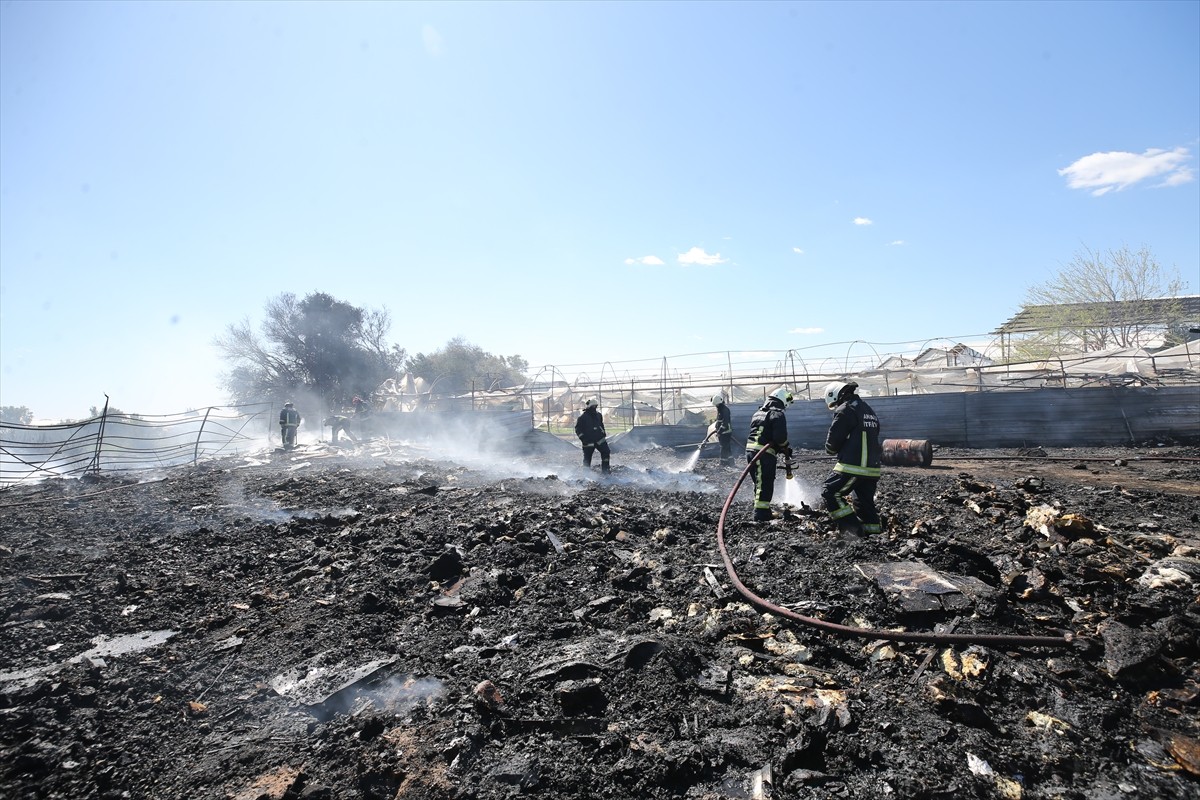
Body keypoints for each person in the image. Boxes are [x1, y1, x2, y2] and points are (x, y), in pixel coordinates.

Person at [821, 381, 882, 535]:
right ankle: (873, 536)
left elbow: (832, 442)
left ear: (837, 396)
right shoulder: (868, 410)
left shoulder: (845, 409)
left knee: (831, 492)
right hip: (872, 468)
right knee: (863, 502)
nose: (836, 407)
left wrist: (831, 449)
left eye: (835, 404)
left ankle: (853, 530)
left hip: (854, 467)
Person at [745, 388, 793, 522]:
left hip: (751, 452)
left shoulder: (758, 413)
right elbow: (780, 437)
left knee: (760, 484)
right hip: (763, 454)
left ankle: (763, 511)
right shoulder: (777, 414)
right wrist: (785, 447)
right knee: (764, 484)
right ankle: (761, 515)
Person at [574, 398, 611, 474]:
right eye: (593, 406)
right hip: (588, 441)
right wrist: (583, 439)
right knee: (587, 458)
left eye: (595, 406)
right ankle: (586, 474)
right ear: (589, 407)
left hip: (599, 439)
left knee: (606, 451)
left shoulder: (599, 415)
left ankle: (606, 470)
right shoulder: (582, 418)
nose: (594, 408)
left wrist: (603, 433)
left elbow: (601, 425)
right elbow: (578, 429)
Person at [712, 394, 734, 465]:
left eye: (716, 405)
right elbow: (719, 420)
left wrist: (719, 431)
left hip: (725, 432)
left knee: (723, 447)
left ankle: (723, 463)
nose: (716, 407)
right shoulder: (721, 409)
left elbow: (725, 422)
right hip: (723, 432)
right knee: (727, 447)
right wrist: (716, 426)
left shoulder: (724, 410)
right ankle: (731, 462)